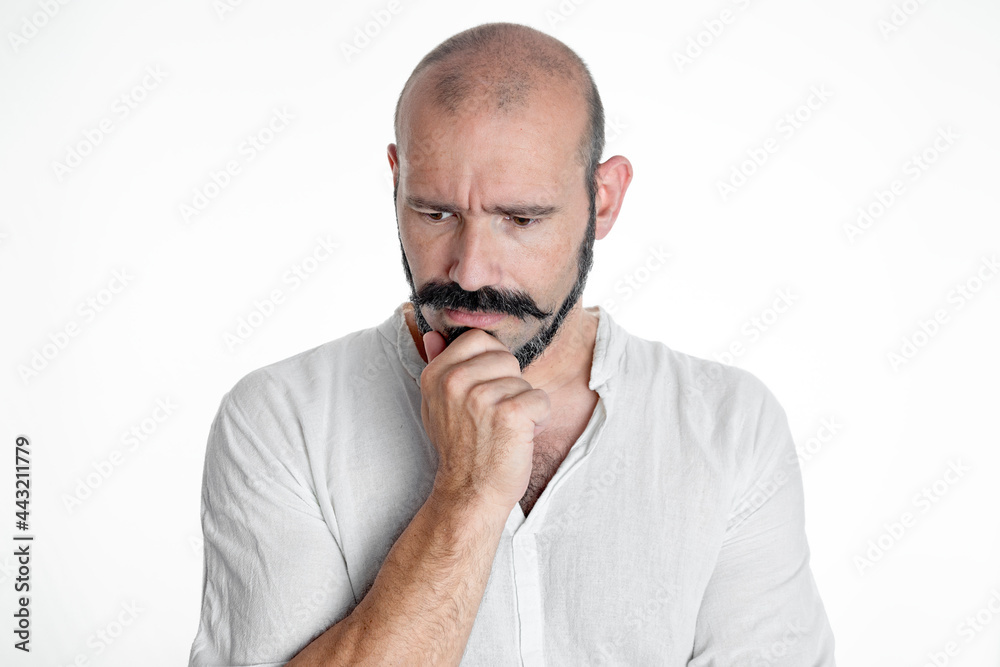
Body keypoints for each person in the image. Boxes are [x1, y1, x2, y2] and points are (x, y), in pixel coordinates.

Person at [188, 21, 836, 666]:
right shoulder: (280, 421)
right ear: (395, 179)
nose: (469, 270)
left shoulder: (729, 427)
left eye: (520, 219)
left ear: (603, 199)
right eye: (436, 212)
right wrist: (466, 495)